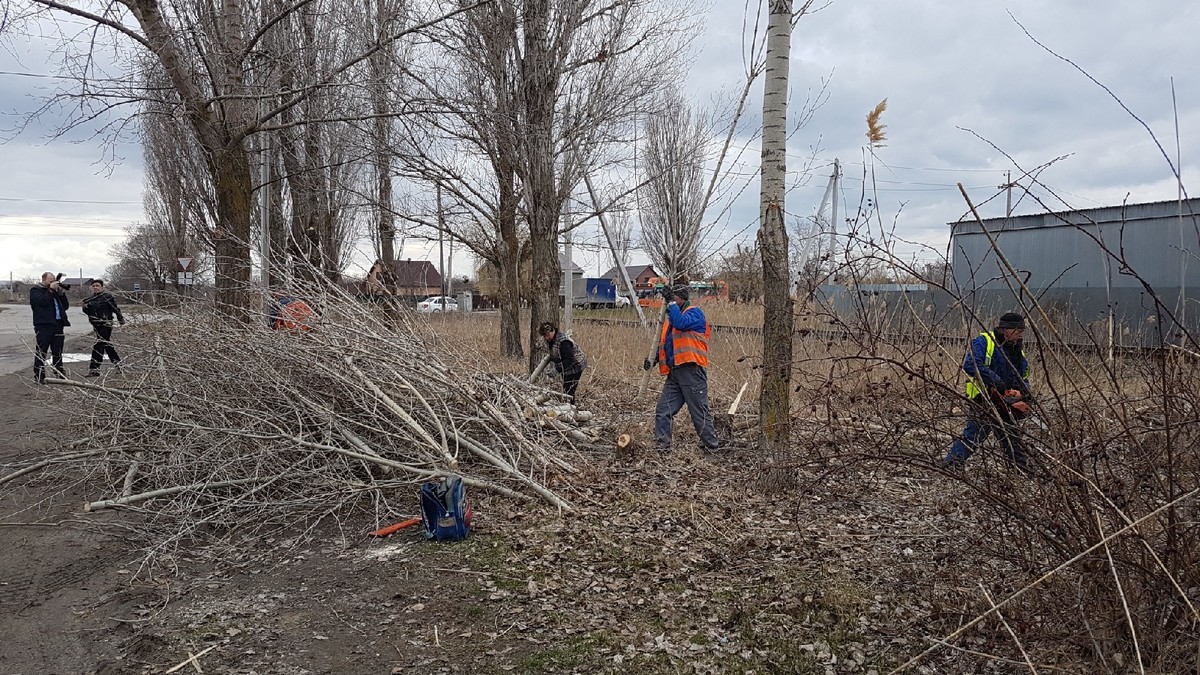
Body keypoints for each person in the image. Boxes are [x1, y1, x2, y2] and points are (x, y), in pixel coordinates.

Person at [944, 312, 1033, 472]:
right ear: (1006, 329)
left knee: (1011, 436)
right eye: (1018, 331)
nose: (1021, 335)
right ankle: (951, 465)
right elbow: (971, 365)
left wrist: (1022, 392)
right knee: (975, 433)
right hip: (984, 397)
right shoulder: (985, 341)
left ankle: (1020, 469)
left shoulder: (1017, 349)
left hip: (1005, 401)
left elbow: (1023, 374)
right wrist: (996, 382)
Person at [644, 284, 720, 453]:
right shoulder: (671, 318)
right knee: (663, 411)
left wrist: (670, 301)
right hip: (675, 372)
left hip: (691, 370)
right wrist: (653, 358)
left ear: (680, 298)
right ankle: (662, 448)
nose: (668, 301)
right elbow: (667, 343)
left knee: (698, 411)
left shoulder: (694, 313)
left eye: (672, 298)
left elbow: (680, 323)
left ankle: (711, 447)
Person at [30, 272, 71, 383]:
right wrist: (51, 290)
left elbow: (65, 306)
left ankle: (59, 372)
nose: (53, 283)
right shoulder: (36, 290)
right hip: (44, 325)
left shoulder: (54, 292)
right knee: (41, 351)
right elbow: (43, 302)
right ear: (44, 280)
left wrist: (61, 294)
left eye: (54, 280)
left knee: (57, 351)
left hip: (58, 324)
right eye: (50, 280)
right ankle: (39, 376)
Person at [81, 279, 125, 376]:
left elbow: (115, 309)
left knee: (99, 344)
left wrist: (121, 320)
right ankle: (119, 365)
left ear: (102, 287)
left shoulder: (107, 297)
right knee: (107, 345)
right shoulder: (90, 299)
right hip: (96, 324)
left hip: (106, 323)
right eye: (94, 286)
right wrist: (85, 307)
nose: (95, 287)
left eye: (97, 285)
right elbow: (88, 312)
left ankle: (94, 369)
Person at [539, 321, 587, 404]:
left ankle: (571, 406)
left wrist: (556, 370)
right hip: (567, 364)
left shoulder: (564, 342)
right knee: (566, 386)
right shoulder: (552, 340)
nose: (546, 338)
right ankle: (567, 403)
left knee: (569, 388)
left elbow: (569, 360)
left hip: (576, 365)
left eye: (547, 335)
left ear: (552, 330)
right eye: (544, 336)